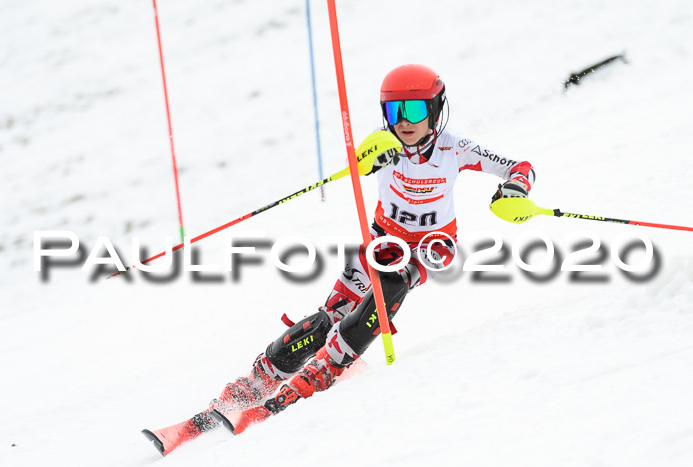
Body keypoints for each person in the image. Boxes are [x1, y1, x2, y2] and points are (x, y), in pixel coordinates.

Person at [143, 64, 536, 454]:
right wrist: (367, 161)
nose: (404, 122)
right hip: (382, 240)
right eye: (393, 112)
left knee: (389, 290)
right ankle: (247, 390)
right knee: (324, 320)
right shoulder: (385, 144)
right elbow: (365, 155)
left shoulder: (456, 149)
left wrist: (515, 189)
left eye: (414, 110)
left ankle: (319, 376)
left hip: (433, 245)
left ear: (435, 109)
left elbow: (520, 167)